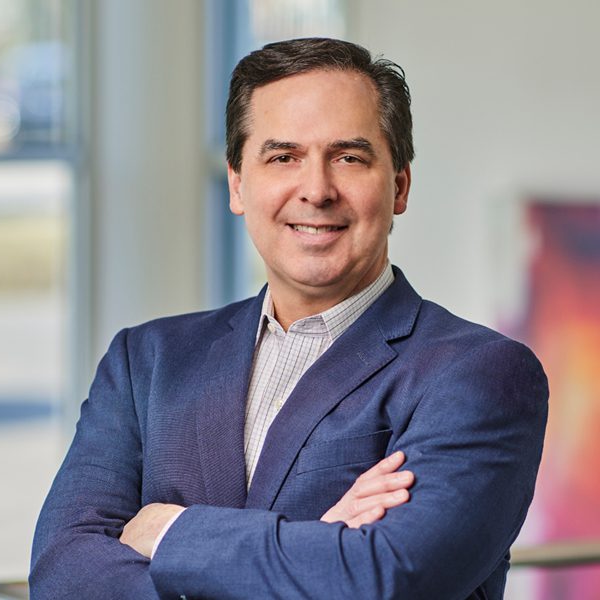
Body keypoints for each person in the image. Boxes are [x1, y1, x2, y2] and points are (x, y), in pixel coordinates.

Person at [30, 38, 548, 599]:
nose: (317, 190)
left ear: (398, 184)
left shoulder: (479, 374)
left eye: (349, 157)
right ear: (237, 184)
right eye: (283, 157)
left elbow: (388, 579)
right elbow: (63, 573)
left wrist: (171, 531)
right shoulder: (148, 362)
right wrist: (319, 546)